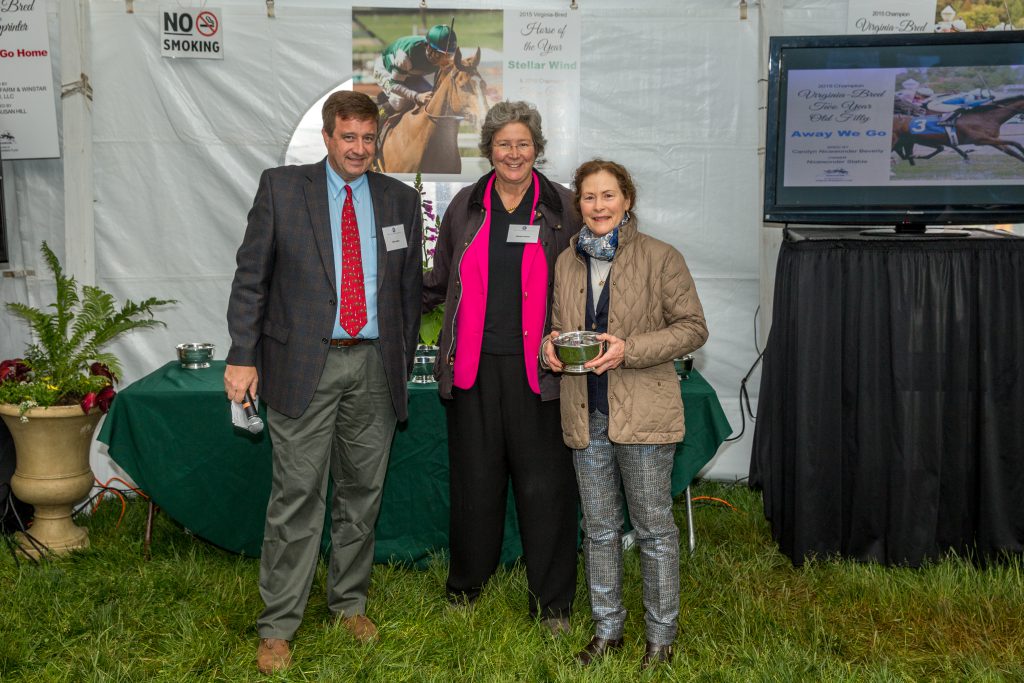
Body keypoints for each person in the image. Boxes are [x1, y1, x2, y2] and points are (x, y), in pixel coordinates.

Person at [224, 90, 423, 675]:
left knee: (362, 494)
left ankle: (348, 602)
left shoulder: (399, 200)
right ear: (328, 135)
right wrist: (242, 355)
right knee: (297, 497)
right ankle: (278, 624)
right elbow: (250, 279)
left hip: (374, 368)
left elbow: (409, 290)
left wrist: (401, 358)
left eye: (368, 138)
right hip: (302, 366)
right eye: (348, 137)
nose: (359, 148)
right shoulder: (283, 189)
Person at [542, 159, 708, 670]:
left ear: (627, 200)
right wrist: (551, 347)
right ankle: (607, 631)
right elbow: (559, 325)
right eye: (589, 198)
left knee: (654, 530)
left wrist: (628, 349)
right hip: (585, 413)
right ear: (580, 205)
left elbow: (692, 329)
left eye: (608, 196)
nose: (598, 206)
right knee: (598, 530)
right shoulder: (567, 261)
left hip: (643, 413)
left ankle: (660, 641)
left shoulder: (661, 257)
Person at [422, 100, 581, 635]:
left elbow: (598, 272)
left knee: (546, 489)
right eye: (503, 143)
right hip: (473, 369)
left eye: (523, 143)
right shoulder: (466, 205)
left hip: (544, 371)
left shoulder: (564, 206)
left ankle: (553, 605)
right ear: (488, 148)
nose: (513, 153)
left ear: (537, 147)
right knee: (475, 484)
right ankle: (467, 587)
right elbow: (439, 281)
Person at [373, 24, 459, 120]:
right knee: (399, 101)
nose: (444, 60)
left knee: (432, 97)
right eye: (440, 55)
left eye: (449, 55)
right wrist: (417, 96)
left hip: (410, 74)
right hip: (385, 71)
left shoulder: (440, 57)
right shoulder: (406, 55)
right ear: (429, 48)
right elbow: (393, 85)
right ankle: (376, 120)